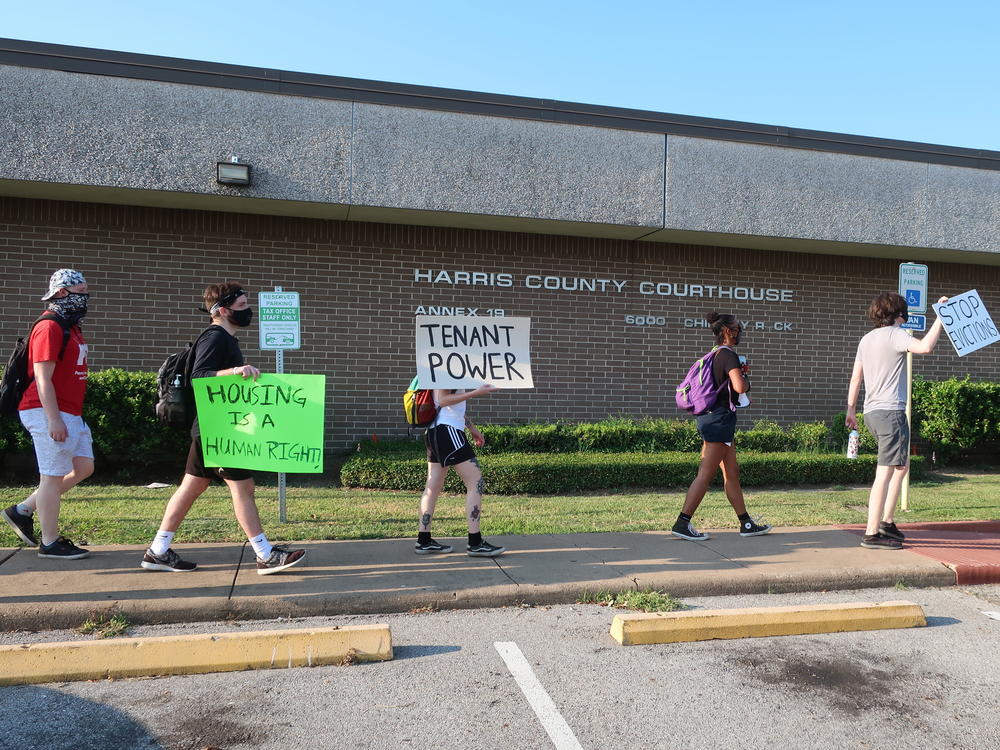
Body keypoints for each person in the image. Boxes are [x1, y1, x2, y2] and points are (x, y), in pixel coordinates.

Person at [140, 282, 306, 574]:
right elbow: (199, 376)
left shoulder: (225, 338)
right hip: (218, 429)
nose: (247, 310)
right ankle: (265, 555)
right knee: (244, 488)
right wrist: (235, 371)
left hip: (210, 427)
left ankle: (158, 551)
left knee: (192, 486)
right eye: (241, 306)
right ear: (223, 310)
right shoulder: (215, 338)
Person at [2, 269, 94, 559]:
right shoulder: (50, 326)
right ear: (63, 292)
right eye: (81, 290)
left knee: (83, 467)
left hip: (70, 411)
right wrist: (53, 419)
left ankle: (22, 510)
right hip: (45, 411)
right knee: (51, 479)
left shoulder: (71, 326)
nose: (85, 296)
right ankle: (50, 543)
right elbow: (42, 378)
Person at [846, 292, 949, 550]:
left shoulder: (866, 339)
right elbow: (925, 347)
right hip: (891, 411)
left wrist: (850, 410)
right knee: (885, 472)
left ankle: (887, 522)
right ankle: (871, 533)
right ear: (899, 314)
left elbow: (856, 378)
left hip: (871, 412)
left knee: (900, 466)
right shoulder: (897, 334)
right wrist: (940, 318)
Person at [672, 312, 772, 541]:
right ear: (728, 331)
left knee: (732, 474)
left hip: (717, 420)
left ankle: (746, 523)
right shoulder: (728, 355)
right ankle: (682, 522)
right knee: (705, 474)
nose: (740, 332)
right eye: (737, 328)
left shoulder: (714, 355)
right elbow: (739, 387)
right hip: (718, 421)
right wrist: (746, 381)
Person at [415, 384, 506, 557]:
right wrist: (476, 392)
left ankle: (424, 540)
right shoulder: (450, 368)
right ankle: (475, 542)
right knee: (475, 481)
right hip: (448, 430)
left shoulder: (445, 367)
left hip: (435, 430)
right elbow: (443, 399)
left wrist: (471, 428)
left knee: (432, 486)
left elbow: (448, 406)